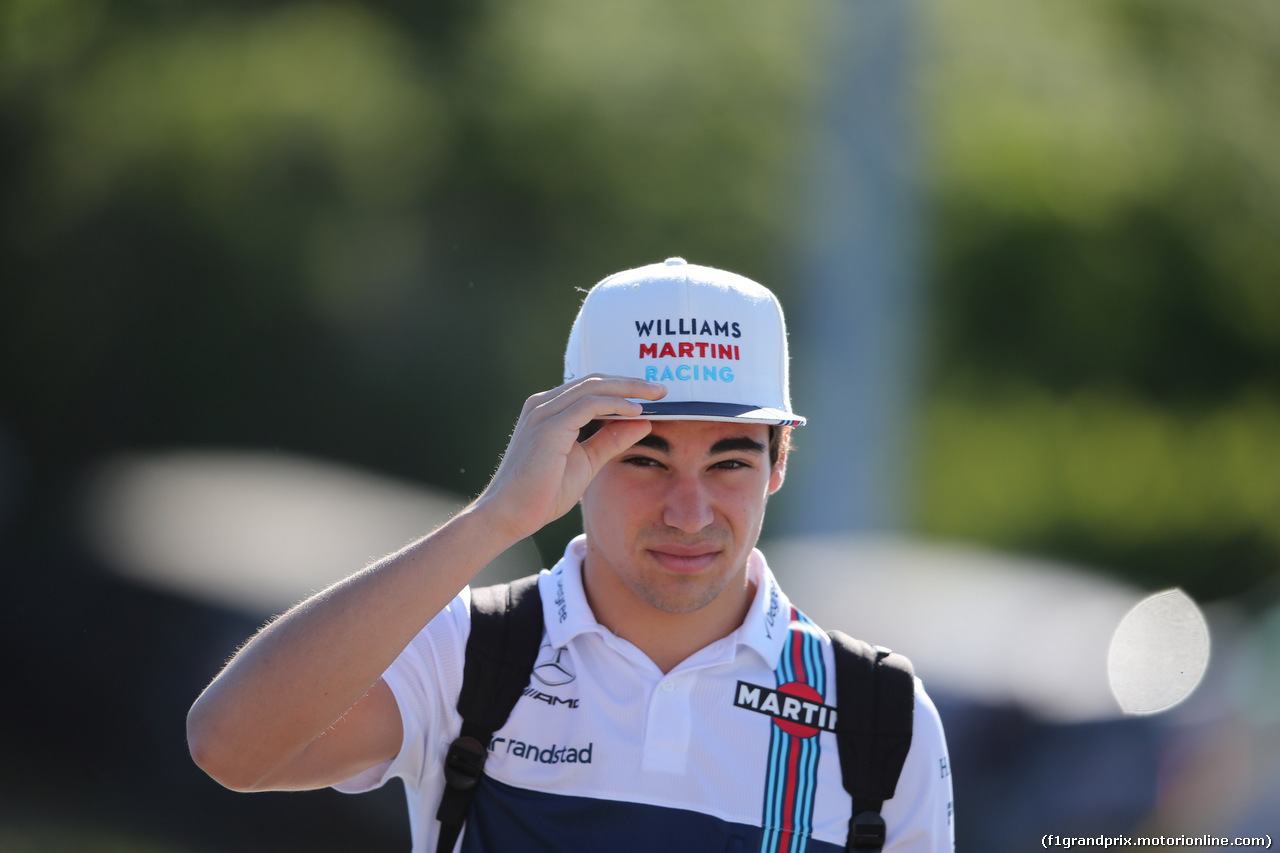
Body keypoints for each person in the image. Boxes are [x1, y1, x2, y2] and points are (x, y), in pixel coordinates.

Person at [187, 258, 954, 852]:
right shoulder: (472, 649)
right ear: (571, 450)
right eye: (644, 460)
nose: (689, 513)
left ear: (779, 462)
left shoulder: (878, 715)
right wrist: (494, 518)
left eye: (729, 462)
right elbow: (230, 747)